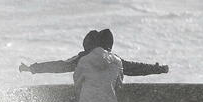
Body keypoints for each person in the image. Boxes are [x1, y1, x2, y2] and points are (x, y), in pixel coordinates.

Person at [19, 30, 169, 76]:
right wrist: (157, 69)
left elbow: (59, 66)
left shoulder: (83, 59)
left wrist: (32, 68)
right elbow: (134, 68)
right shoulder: (115, 60)